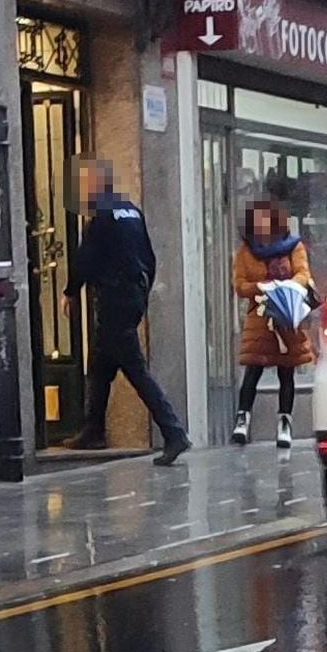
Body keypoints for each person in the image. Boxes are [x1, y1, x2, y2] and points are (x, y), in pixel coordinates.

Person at [62, 159, 191, 465]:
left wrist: (69, 290)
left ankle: (174, 433)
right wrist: (141, 295)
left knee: (135, 368)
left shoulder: (102, 216)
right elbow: (149, 256)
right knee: (101, 365)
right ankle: (93, 431)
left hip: (114, 299)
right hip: (132, 294)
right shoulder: (131, 210)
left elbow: (87, 259)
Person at [230, 201, 315, 448]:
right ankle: (242, 421)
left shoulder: (293, 246)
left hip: (286, 315)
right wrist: (263, 287)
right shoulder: (246, 251)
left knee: (286, 371)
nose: (262, 226)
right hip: (259, 317)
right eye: (257, 221)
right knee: (253, 370)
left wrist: (285, 288)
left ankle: (285, 424)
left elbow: (303, 275)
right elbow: (240, 285)